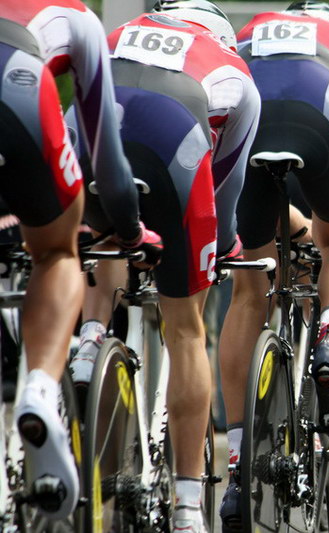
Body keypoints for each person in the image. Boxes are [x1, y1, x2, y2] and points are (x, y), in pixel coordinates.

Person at [69, 2, 260, 531]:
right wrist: (220, 250)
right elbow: (226, 190)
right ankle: (188, 505)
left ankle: (88, 341)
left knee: (106, 228)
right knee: (186, 328)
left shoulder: (122, 30)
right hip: (175, 137)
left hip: (92, 130)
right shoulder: (233, 68)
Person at [218, 1, 329, 528]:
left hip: (252, 104)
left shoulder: (244, 33)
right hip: (325, 107)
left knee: (250, 289)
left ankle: (239, 464)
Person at [0, 0, 156, 519]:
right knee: (57, 251)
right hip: (16, 88)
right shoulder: (77, 17)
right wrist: (131, 231)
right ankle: (41, 389)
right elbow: (107, 164)